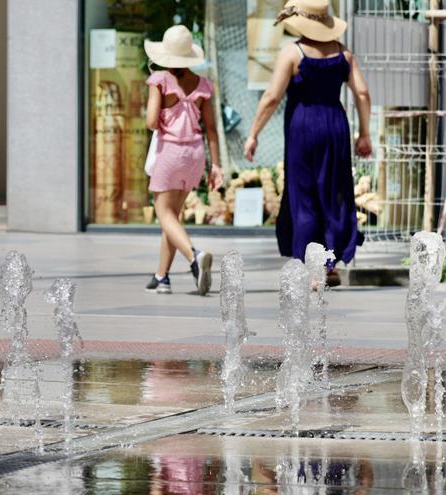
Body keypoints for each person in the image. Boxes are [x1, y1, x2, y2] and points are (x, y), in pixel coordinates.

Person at [243, 0, 372, 286]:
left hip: (303, 127)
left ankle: (312, 269)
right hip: (335, 127)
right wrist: (364, 133)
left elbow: (272, 97)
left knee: (305, 198)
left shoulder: (293, 52)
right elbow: (362, 93)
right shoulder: (344, 54)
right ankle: (328, 264)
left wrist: (253, 133)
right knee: (334, 193)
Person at [143, 25, 224, 296]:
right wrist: (217, 166)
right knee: (172, 216)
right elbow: (211, 129)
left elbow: (152, 121)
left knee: (163, 213)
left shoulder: (160, 81)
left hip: (171, 152)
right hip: (196, 154)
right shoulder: (203, 85)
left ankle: (194, 257)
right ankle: (161, 276)